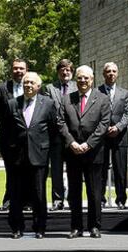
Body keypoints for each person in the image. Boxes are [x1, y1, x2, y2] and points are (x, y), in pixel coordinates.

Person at [58, 65, 111, 239]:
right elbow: (60, 122)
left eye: (86, 78)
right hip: (73, 152)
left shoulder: (102, 99)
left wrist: (88, 144)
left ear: (92, 79)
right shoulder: (67, 99)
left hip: (94, 153)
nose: (82, 81)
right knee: (74, 192)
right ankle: (76, 227)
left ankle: (95, 227)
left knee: (95, 192)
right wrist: (71, 142)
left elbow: (104, 125)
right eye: (79, 78)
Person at [5, 72, 57, 239]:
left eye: (31, 83)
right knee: (16, 193)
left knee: (39, 193)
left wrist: (48, 151)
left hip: (39, 154)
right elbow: (6, 133)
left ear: (38, 86)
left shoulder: (48, 104)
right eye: (26, 82)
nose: (27, 85)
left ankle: (40, 227)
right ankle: (17, 227)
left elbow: (53, 130)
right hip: (17, 156)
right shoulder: (13, 103)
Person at [0, 58, 28, 211]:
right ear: (11, 70)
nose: (18, 71)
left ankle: (28, 202)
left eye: (21, 68)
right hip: (9, 137)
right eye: (15, 68)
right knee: (11, 171)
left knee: (28, 170)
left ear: (26, 70)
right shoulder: (2, 88)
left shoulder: (32, 86)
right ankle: (9, 200)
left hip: (28, 137)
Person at [44, 59, 77, 211]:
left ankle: (73, 199)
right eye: (62, 70)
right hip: (55, 136)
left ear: (72, 71)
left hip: (73, 136)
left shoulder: (78, 87)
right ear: (58, 72)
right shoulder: (50, 88)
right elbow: (47, 110)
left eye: (68, 70)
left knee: (73, 170)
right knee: (56, 169)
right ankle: (57, 200)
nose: (65, 72)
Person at [98, 62, 128, 209]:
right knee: (101, 169)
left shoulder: (125, 93)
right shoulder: (96, 92)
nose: (111, 74)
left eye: (114, 71)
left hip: (120, 136)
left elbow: (127, 113)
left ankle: (121, 199)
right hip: (101, 137)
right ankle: (101, 198)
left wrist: (118, 127)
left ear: (117, 74)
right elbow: (94, 114)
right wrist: (104, 129)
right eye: (108, 71)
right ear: (103, 74)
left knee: (120, 170)